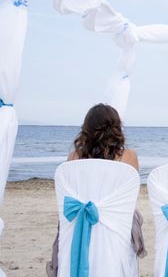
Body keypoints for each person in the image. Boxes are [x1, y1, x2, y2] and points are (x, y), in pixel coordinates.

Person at [46, 104, 145, 275]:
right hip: (117, 235)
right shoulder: (129, 157)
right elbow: (130, 199)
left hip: (77, 230)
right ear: (117, 128)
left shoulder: (73, 158)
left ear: (86, 130)